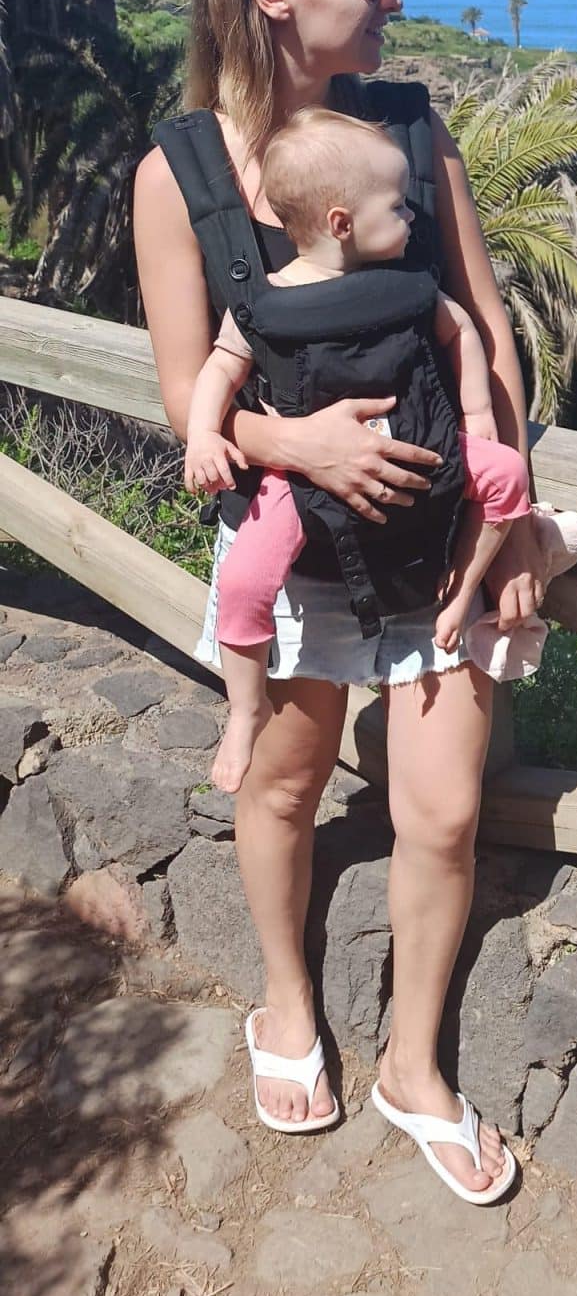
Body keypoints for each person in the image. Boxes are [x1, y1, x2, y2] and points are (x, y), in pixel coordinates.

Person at [134, 0, 547, 1202]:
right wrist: (300, 444)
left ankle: (413, 1066)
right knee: (282, 783)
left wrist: (507, 520)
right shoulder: (179, 174)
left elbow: (484, 331)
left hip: (437, 550)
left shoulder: (409, 135)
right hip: (293, 548)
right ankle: (287, 999)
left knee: (441, 811)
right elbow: (187, 390)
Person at [179, 105, 534, 797]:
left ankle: (461, 595)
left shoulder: (407, 288)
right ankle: (245, 709)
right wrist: (203, 436)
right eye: (396, 207)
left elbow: (463, 330)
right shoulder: (266, 304)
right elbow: (218, 369)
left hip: (424, 445)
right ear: (342, 222)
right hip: (300, 479)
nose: (410, 219)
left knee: (509, 476)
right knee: (245, 582)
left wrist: (476, 415)